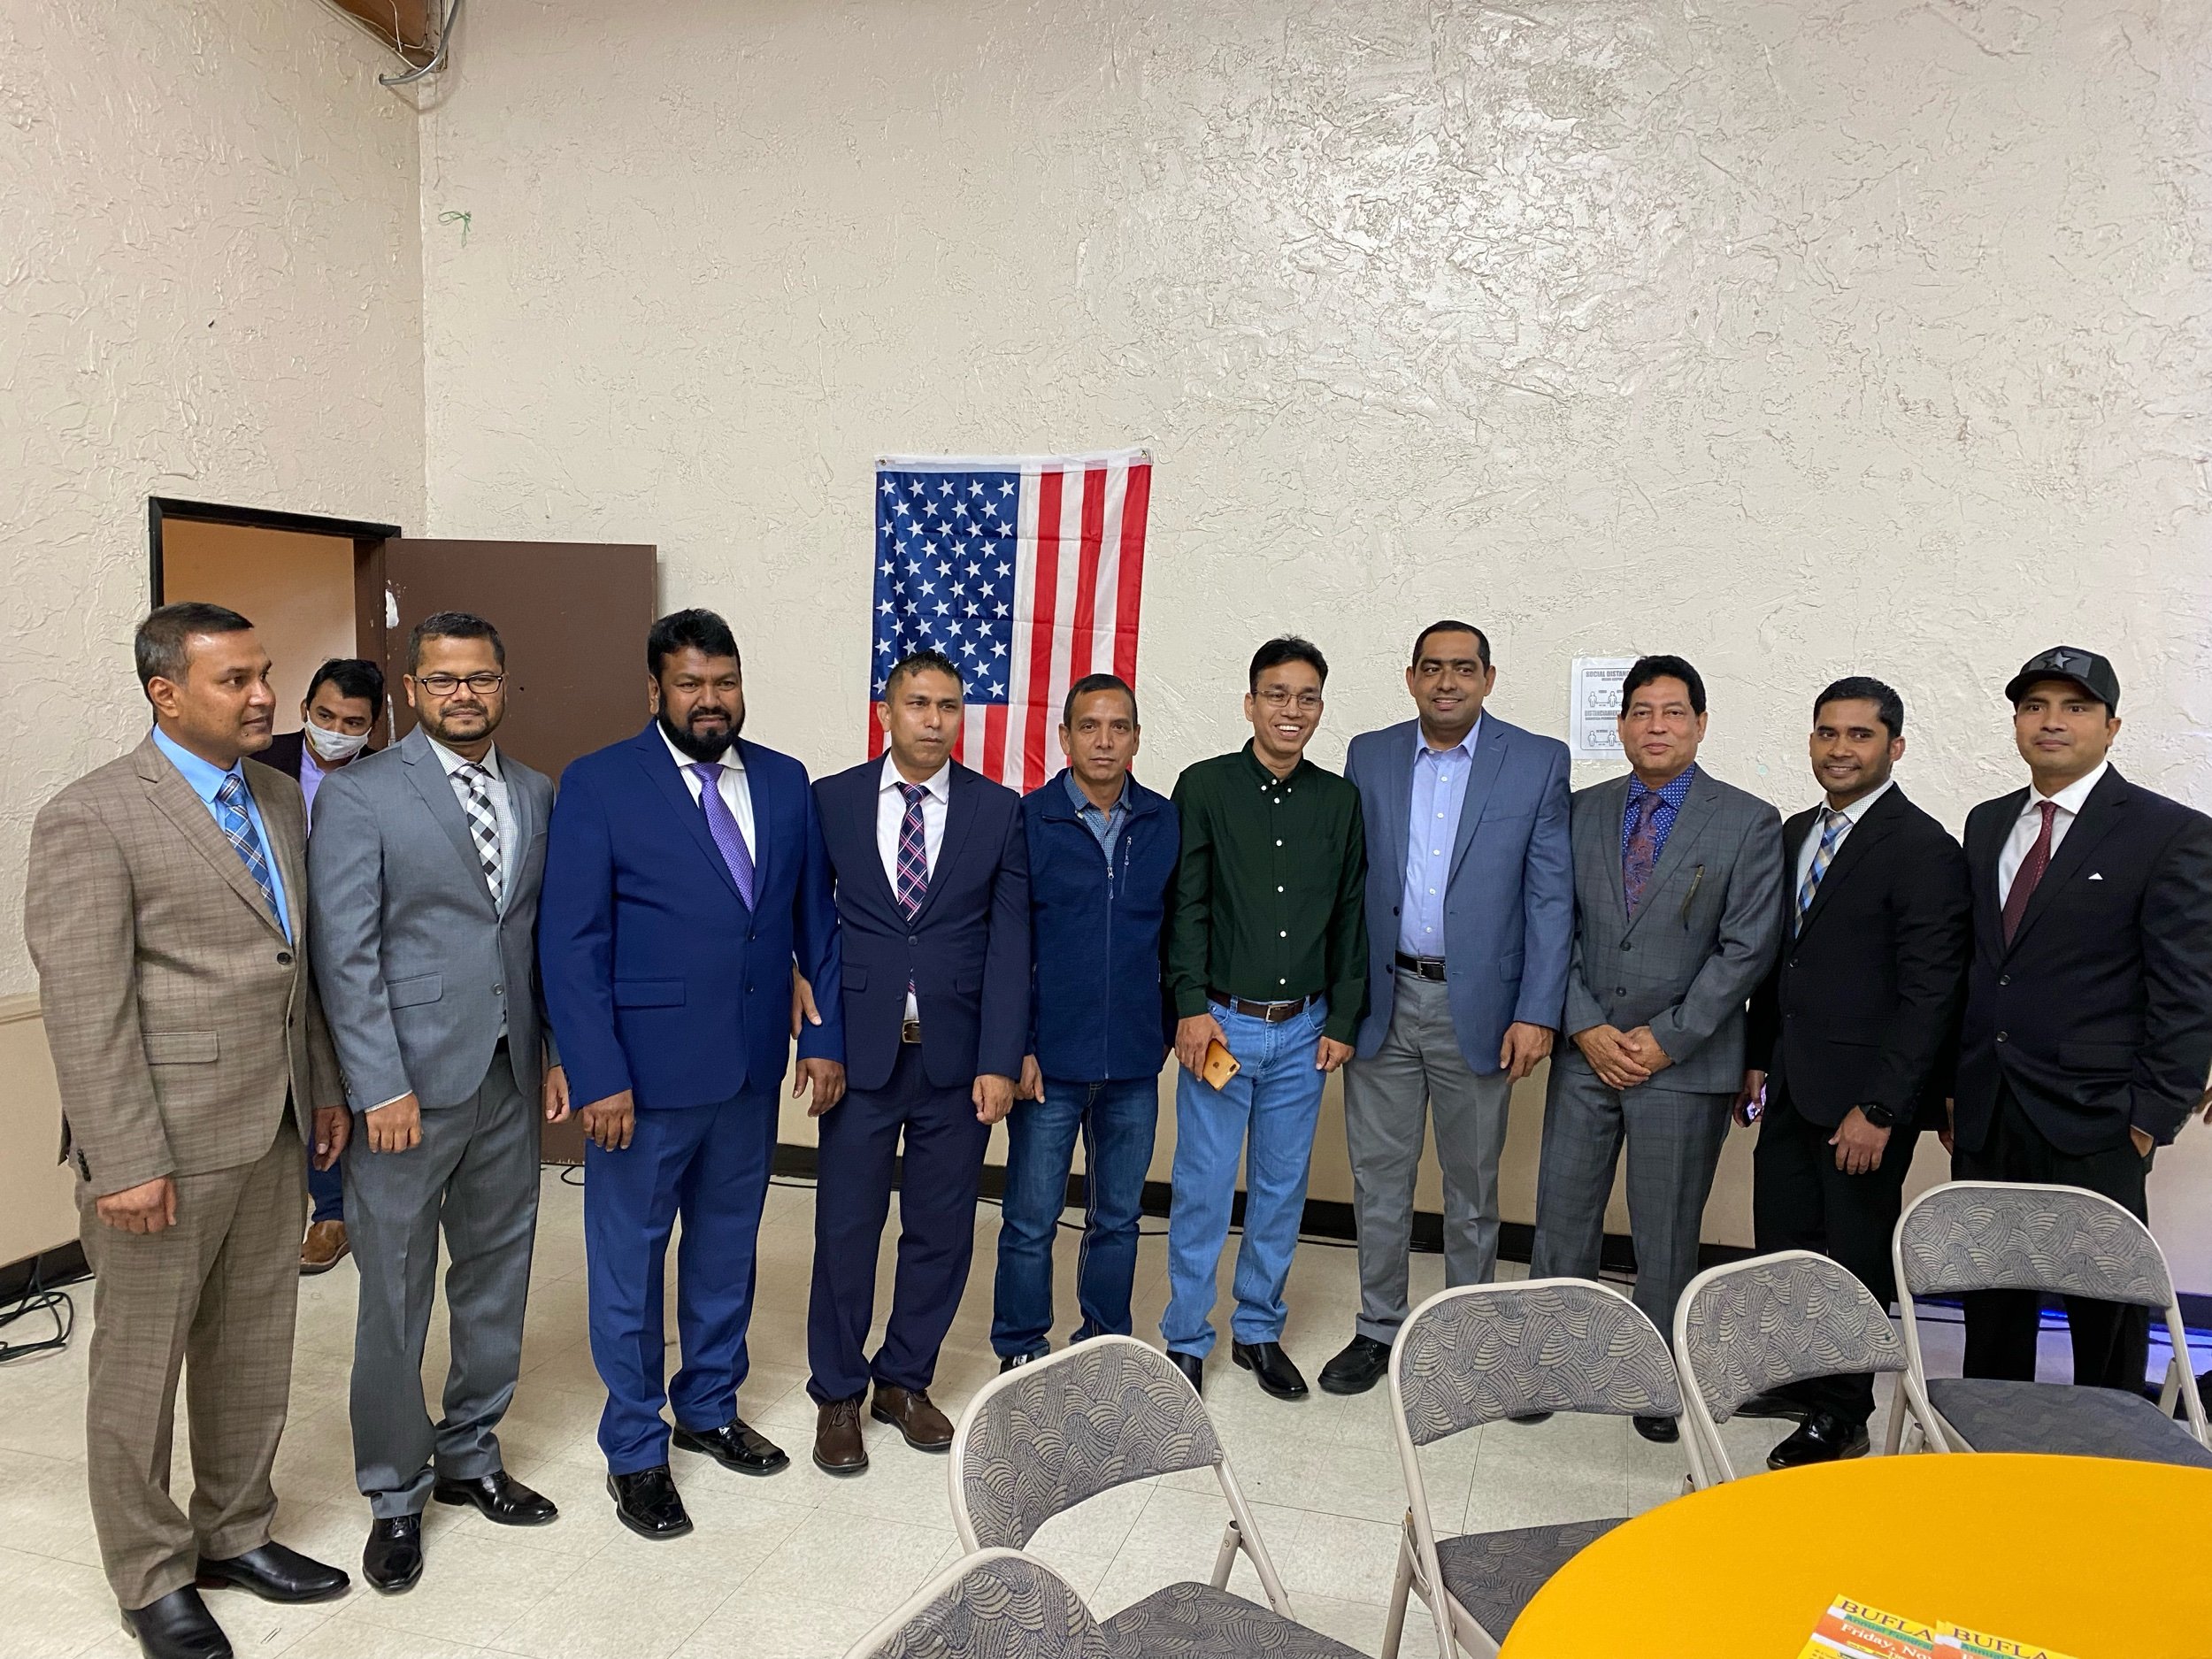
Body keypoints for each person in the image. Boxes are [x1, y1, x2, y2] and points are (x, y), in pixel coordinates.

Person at [26, 603, 350, 1659]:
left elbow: (297, 966)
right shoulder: (93, 817)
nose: (265, 697)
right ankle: (151, 1574)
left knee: (252, 1347)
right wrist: (123, 1159)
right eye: (235, 680)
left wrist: (324, 1089)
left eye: (265, 673)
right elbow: (87, 1007)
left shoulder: (277, 797)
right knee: (140, 1370)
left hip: (274, 1125)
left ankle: (235, 1531)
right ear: (165, 694)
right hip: (160, 1145)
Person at [540, 609, 844, 1539]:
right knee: (628, 1264)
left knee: (724, 1250)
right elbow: (571, 941)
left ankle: (708, 1406)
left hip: (748, 1069)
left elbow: (812, 922)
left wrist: (823, 1035)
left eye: (725, 682)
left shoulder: (785, 780)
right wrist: (597, 1072)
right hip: (641, 1078)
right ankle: (635, 1447)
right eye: (690, 684)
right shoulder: (599, 783)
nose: (710, 700)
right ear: (655, 690)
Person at [307, 613, 566, 1593]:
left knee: (497, 1274)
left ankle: (470, 1452)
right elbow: (346, 950)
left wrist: (554, 1054)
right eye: (444, 679)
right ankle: (393, 1488)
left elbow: (538, 939)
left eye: (482, 678)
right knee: (396, 1291)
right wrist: (378, 1084)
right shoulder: (362, 793)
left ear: (504, 685)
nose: (465, 694)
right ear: (412, 690)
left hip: (508, 1074)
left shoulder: (536, 791)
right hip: (405, 1090)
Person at [1528, 654, 1783, 1443]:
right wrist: (1583, 1024)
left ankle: (1656, 1372)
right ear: (1621, 724)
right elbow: (1552, 925)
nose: (1656, 725)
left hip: (1684, 1060)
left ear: (1700, 723)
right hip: (1588, 1048)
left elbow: (1746, 949)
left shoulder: (1749, 820)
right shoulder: (1581, 810)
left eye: (1673, 712)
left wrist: (1666, 1038)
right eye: (1641, 711)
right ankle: (1552, 1358)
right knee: (1562, 1210)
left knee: (1666, 1226)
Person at [1320, 620, 1572, 1396]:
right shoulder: (1370, 755)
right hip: (1384, 1002)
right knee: (1380, 1180)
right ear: (1411, 677)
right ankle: (1378, 1327)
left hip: (1484, 1009)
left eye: (1464, 668)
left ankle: (1469, 1336)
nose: (1447, 682)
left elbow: (1550, 898)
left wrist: (1538, 1011)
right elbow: (1349, 881)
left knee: (1471, 1187)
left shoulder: (1536, 761)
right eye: (1432, 668)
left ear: (1488, 679)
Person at [1954, 648, 2212, 1391]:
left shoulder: (2169, 833)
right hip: (1990, 1107)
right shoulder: (1987, 823)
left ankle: (2108, 1448)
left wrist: (2151, 1117)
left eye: (2075, 707)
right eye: (2035, 706)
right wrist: (1953, 1089)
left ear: (2112, 726)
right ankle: (1996, 1438)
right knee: (1991, 1301)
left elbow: (2186, 988)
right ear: (2017, 724)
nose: (2052, 721)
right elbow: (1980, 965)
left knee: (2105, 1313)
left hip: (2100, 1116)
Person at [1740, 677, 1970, 1465]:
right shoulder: (1795, 832)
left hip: (1863, 1104)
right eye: (1827, 733)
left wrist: (1881, 1107)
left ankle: (1842, 1413)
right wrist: (1756, 1057)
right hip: (1791, 1083)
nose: (1840, 749)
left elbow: (1930, 992)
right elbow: (1782, 963)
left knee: (1851, 1254)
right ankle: (1802, 1380)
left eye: (1860, 735)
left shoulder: (1924, 848)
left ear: (1894, 746)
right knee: (1786, 1242)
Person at [807, 649, 1027, 1471]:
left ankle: (903, 1379)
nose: (934, 720)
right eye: (918, 703)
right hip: (860, 1058)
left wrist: (999, 1058)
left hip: (957, 1060)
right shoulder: (832, 800)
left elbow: (1011, 944)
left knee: (940, 1229)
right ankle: (838, 1393)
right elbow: (813, 930)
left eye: (949, 706)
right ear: (886, 712)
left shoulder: (997, 809)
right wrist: (820, 1041)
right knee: (846, 1228)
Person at [1163, 635, 1366, 1400]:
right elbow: (1186, 906)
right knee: (1205, 1186)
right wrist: (1189, 1006)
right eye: (1277, 694)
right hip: (1223, 1026)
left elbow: (1350, 915)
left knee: (1281, 1188)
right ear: (1250, 703)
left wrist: (1344, 1018)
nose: (1291, 709)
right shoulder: (1205, 786)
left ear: (1320, 708)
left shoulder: (1338, 801)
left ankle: (1257, 1329)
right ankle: (1187, 1336)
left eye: (1306, 697)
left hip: (1306, 1030)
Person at [991, 673, 1179, 1372]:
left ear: (1136, 738)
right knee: (1030, 1218)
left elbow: (1178, 935)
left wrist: (1163, 1028)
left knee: (1119, 1217)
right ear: (1064, 736)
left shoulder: (1163, 821)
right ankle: (1021, 1347)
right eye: (1089, 726)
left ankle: (1102, 1340)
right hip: (1048, 1063)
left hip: (1132, 1061)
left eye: (1118, 726)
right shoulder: (1027, 820)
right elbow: (1008, 945)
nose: (1104, 740)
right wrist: (1018, 1045)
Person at [262, 657, 386, 1274]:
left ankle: (352, 1207)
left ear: (372, 727)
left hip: (361, 948)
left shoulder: (389, 778)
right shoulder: (260, 764)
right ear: (305, 708)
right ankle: (318, 1208)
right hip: (281, 946)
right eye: (325, 715)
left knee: (355, 1073)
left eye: (352, 723)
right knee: (303, 1077)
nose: (335, 731)